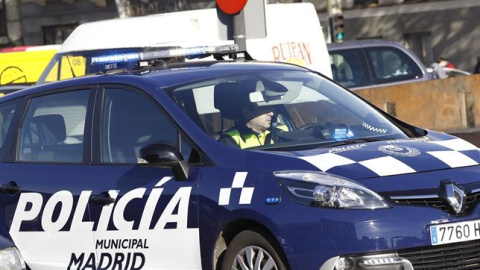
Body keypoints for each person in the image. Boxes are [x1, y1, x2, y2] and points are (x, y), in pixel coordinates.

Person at [218, 103, 286, 149]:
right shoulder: (230, 138)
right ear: (247, 111)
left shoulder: (280, 133)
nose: (271, 113)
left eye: (270, 109)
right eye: (265, 109)